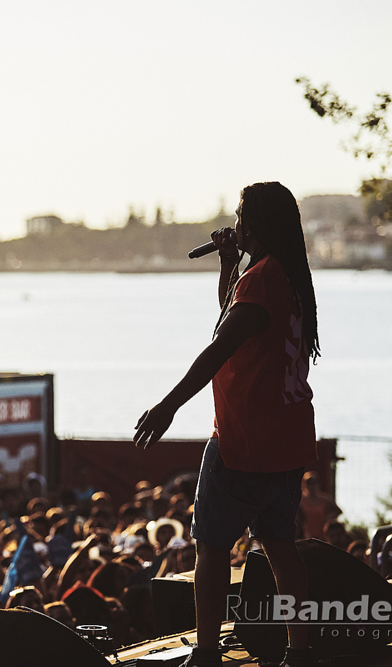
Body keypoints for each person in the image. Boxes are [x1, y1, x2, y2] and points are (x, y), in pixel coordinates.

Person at [134, 182, 319, 667]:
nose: (234, 225)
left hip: (244, 439)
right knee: (281, 547)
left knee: (211, 548)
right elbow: (229, 324)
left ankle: (208, 653)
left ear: (254, 222)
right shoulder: (287, 276)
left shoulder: (263, 279)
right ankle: (299, 652)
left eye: (240, 216)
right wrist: (228, 267)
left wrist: (168, 405)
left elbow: (218, 348)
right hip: (286, 439)